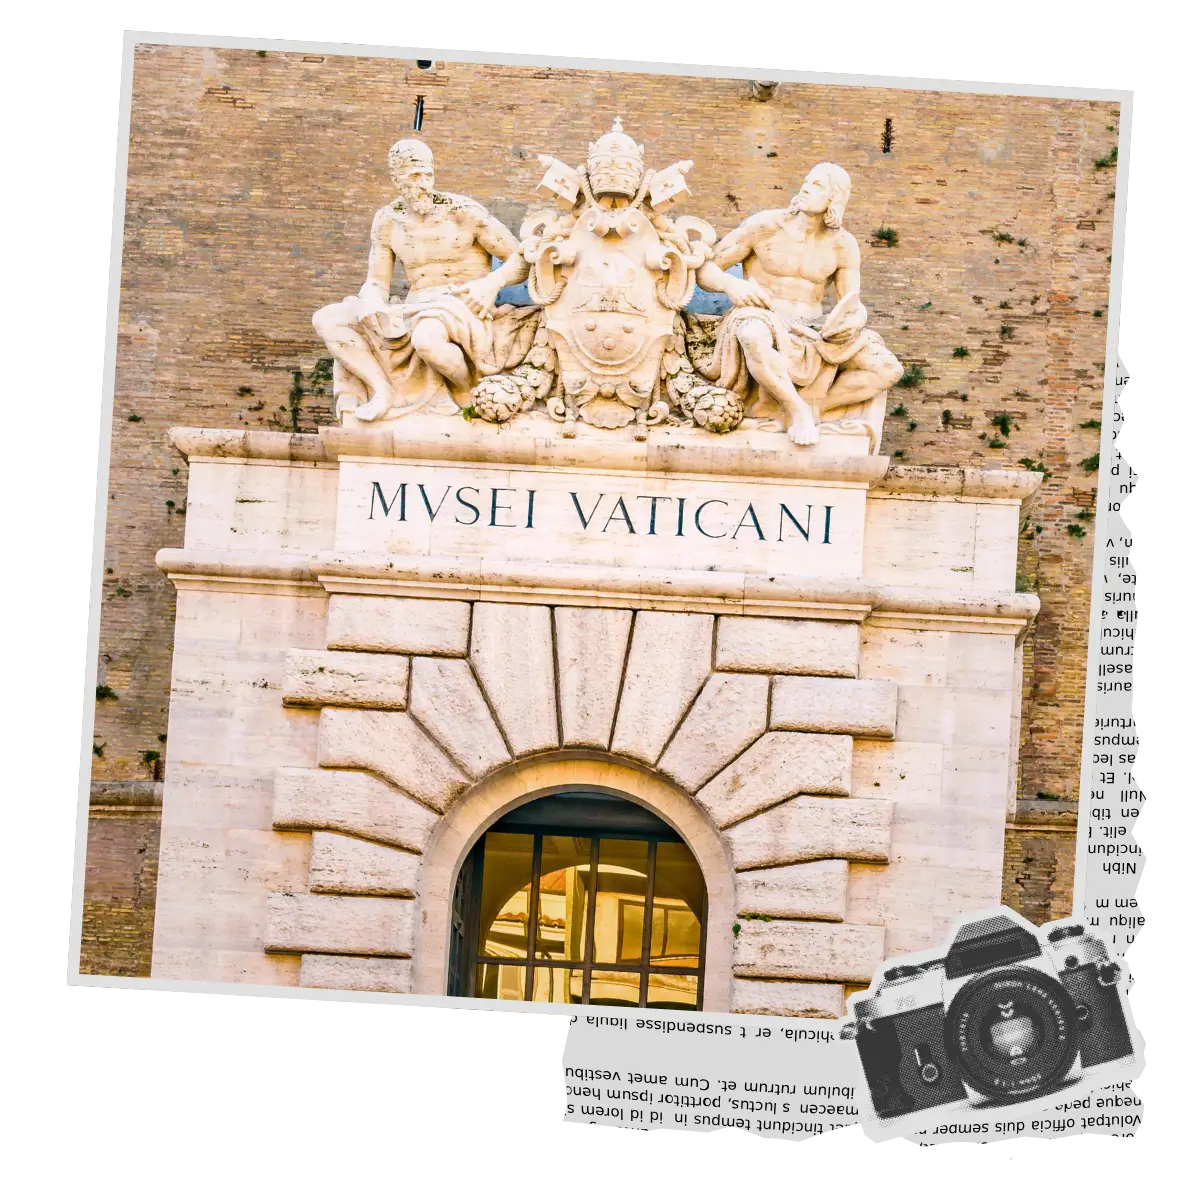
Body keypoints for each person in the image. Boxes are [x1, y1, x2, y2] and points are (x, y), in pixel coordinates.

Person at [313, 139, 536, 420]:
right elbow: (377, 282)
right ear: (397, 179)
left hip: (461, 303)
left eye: (428, 175)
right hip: (413, 306)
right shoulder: (387, 221)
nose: (424, 184)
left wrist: (493, 283)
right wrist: (370, 300)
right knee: (328, 319)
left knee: (426, 339)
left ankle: (468, 392)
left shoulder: (463, 212)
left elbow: (523, 257)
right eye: (414, 177)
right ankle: (383, 391)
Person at [694, 162, 903, 445]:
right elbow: (705, 269)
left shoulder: (843, 244)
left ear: (834, 198)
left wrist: (852, 320)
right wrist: (731, 284)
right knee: (751, 335)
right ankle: (797, 411)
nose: (805, 187)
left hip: (814, 329)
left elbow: (851, 302)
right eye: (806, 180)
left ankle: (815, 407)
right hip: (762, 314)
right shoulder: (765, 225)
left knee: (888, 369)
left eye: (816, 185)